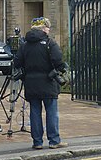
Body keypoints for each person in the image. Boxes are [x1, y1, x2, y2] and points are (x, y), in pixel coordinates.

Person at [14, 17, 68, 149]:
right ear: (44, 29)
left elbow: (17, 63)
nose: (49, 30)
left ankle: (37, 142)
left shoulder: (24, 45)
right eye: (48, 28)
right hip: (48, 81)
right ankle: (54, 140)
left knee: (35, 112)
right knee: (51, 112)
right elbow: (59, 62)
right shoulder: (50, 43)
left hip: (31, 83)